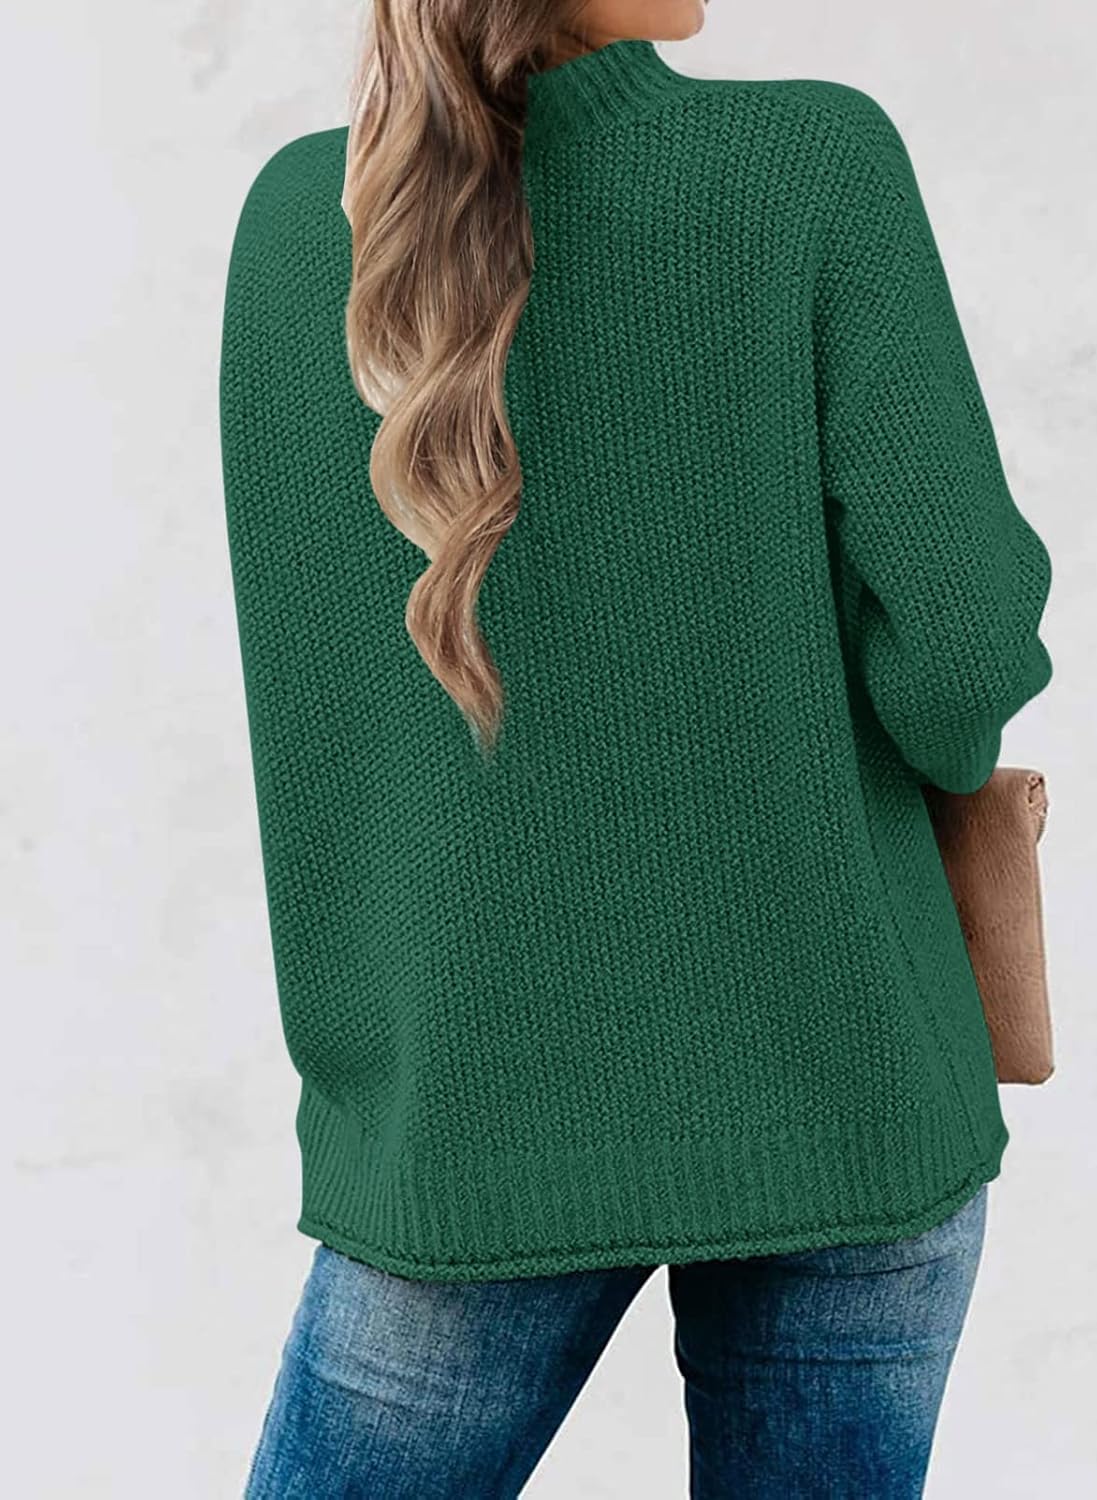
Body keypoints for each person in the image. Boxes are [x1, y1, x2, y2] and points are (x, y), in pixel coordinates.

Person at [218, 1, 1054, 1494]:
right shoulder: (808, 168)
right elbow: (962, 663)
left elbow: (315, 712)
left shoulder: (303, 223)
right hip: (847, 1077)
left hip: (459, 1118)